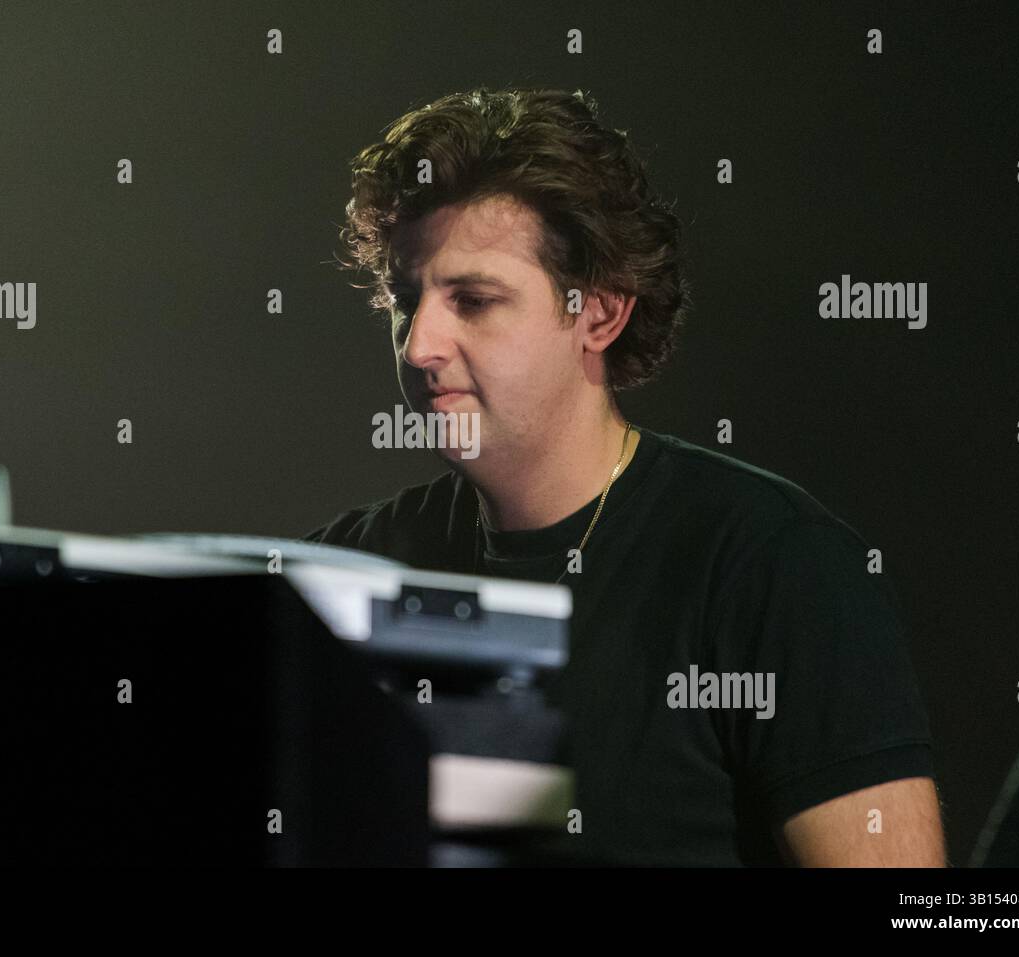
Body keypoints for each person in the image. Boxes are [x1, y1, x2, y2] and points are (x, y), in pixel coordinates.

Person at [304, 87, 945, 866]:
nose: (418, 346)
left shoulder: (774, 566)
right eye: (408, 301)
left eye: (473, 300)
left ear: (600, 315)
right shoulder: (344, 573)